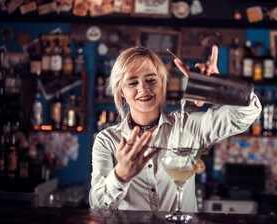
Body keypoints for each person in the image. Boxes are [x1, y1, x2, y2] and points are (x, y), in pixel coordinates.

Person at [89, 46, 262, 211]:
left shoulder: (189, 126)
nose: (143, 88)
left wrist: (222, 86)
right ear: (121, 91)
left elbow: (248, 113)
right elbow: (97, 206)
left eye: (151, 80)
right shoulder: (107, 140)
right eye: (132, 83)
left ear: (163, 83)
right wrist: (120, 176)